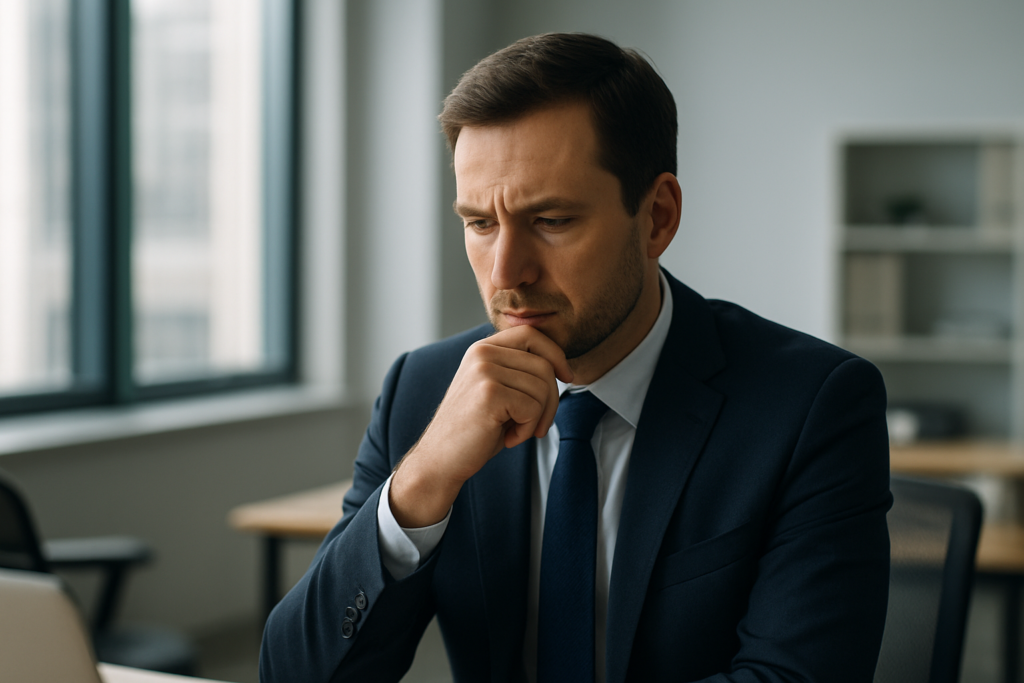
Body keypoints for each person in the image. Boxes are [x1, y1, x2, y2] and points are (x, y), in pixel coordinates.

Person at [260, 33, 891, 683]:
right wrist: (421, 484)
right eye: (480, 223)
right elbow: (292, 672)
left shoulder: (813, 404)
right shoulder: (422, 390)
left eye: (552, 220)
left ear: (657, 217)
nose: (506, 272)